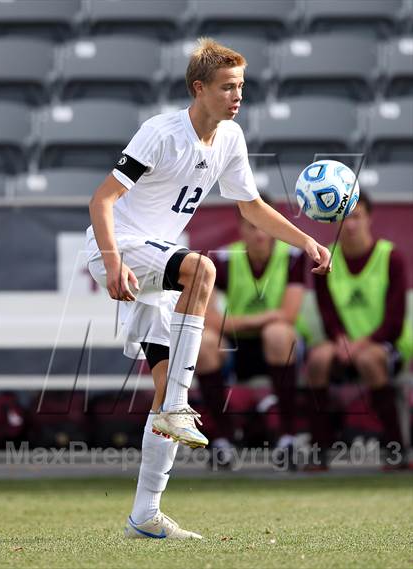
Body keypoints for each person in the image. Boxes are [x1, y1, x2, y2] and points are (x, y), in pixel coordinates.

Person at [86, 38, 331, 540]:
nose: (237, 95)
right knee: (202, 270)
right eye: (227, 87)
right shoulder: (160, 133)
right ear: (199, 89)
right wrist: (112, 263)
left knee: (162, 392)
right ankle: (179, 403)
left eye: (241, 85)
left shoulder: (231, 138)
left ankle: (145, 515)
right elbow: (102, 201)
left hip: (153, 261)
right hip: (119, 248)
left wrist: (306, 239)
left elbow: (251, 206)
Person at [196, 196, 307, 468]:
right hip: (235, 348)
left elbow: (288, 315)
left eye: (263, 226)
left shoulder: (292, 256)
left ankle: (287, 437)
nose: (258, 234)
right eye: (251, 226)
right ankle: (222, 440)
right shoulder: (222, 259)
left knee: (278, 334)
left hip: (281, 349)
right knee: (202, 344)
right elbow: (208, 318)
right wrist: (263, 318)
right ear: (240, 228)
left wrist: (235, 320)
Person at [306, 191, 412, 470]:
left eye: (356, 217)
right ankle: (320, 449)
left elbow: (395, 320)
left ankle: (396, 449)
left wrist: (362, 343)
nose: (350, 225)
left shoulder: (392, 258)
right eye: (344, 219)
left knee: (369, 360)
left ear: (369, 218)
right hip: (341, 344)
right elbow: (327, 312)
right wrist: (340, 339)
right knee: (317, 360)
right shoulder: (324, 259)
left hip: (383, 346)